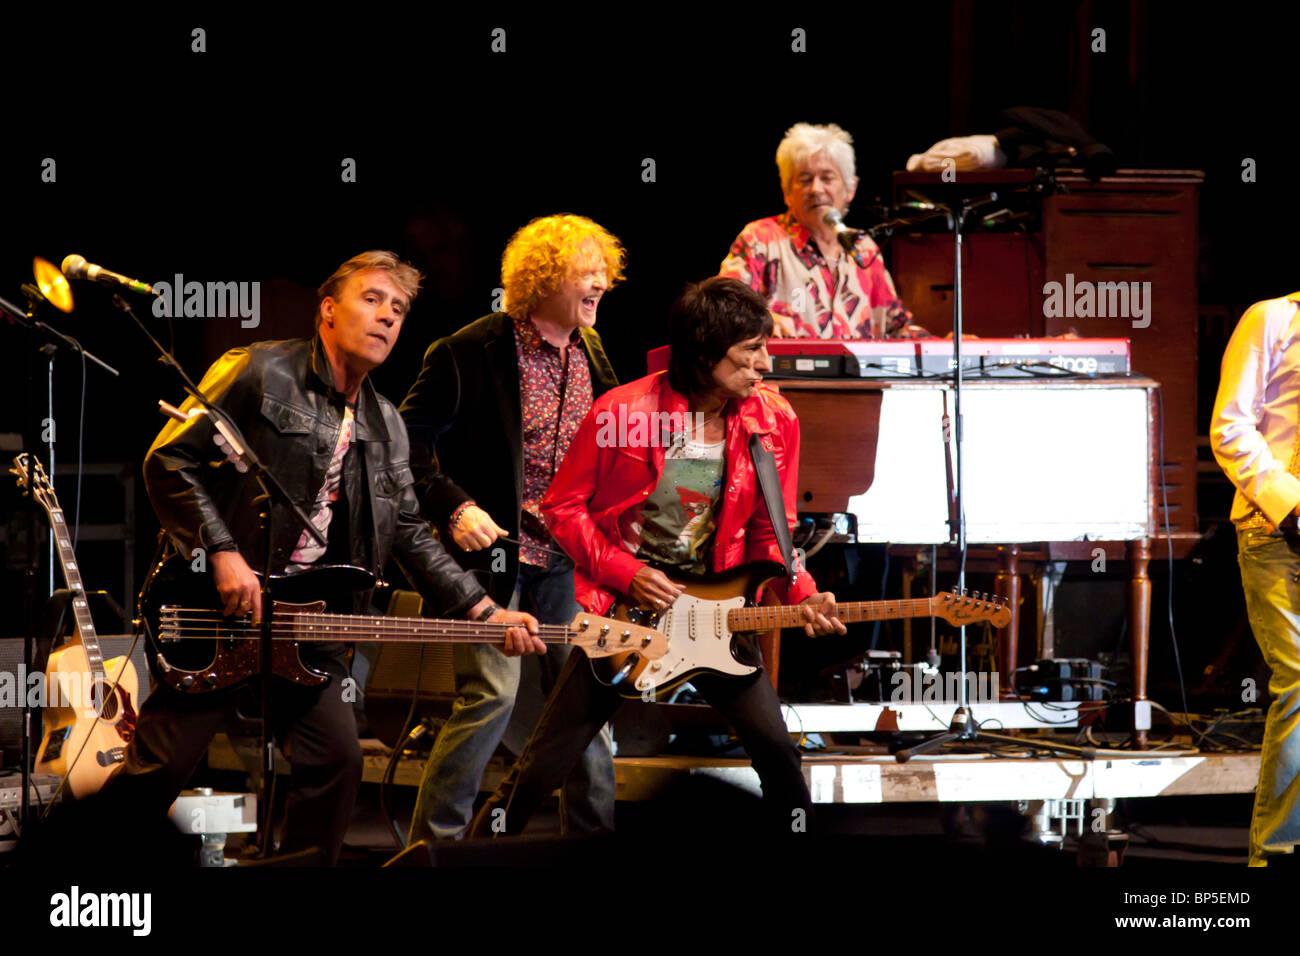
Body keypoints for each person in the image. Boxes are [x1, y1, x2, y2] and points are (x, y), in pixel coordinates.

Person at [55, 251, 542, 866]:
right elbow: (169, 461)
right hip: (215, 610)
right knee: (161, 768)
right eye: (372, 300)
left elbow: (410, 532)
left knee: (336, 760)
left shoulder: (387, 424)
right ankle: (82, 876)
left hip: (307, 627)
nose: (387, 317)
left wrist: (484, 612)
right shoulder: (259, 370)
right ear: (329, 309)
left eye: (398, 310)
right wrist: (220, 552)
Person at [467, 277, 846, 839]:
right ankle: (470, 856)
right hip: (627, 613)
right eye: (750, 351)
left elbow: (774, 531)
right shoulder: (621, 410)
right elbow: (561, 507)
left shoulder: (774, 418)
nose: (765, 364)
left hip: (717, 613)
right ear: (705, 353)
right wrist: (627, 573)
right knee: (542, 768)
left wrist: (802, 592)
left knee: (780, 758)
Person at [400, 215, 622, 843]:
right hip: (493, 558)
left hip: (567, 557)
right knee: (491, 697)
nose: (601, 282)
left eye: (604, 271)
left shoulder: (593, 353)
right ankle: (432, 850)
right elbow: (403, 444)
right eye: (586, 271)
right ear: (543, 279)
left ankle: (591, 842)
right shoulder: (467, 351)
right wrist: (454, 506)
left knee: (586, 699)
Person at [1211, 291, 1300, 868]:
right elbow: (1230, 426)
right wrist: (1288, 502)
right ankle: (1279, 852)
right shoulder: (1273, 318)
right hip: (1278, 530)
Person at [720, 121, 921, 340]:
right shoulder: (760, 239)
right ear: (787, 191)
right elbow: (723, 308)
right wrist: (765, 320)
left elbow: (898, 329)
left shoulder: (863, 249)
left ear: (850, 189)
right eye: (805, 180)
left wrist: (946, 343)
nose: (816, 189)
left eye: (827, 178)